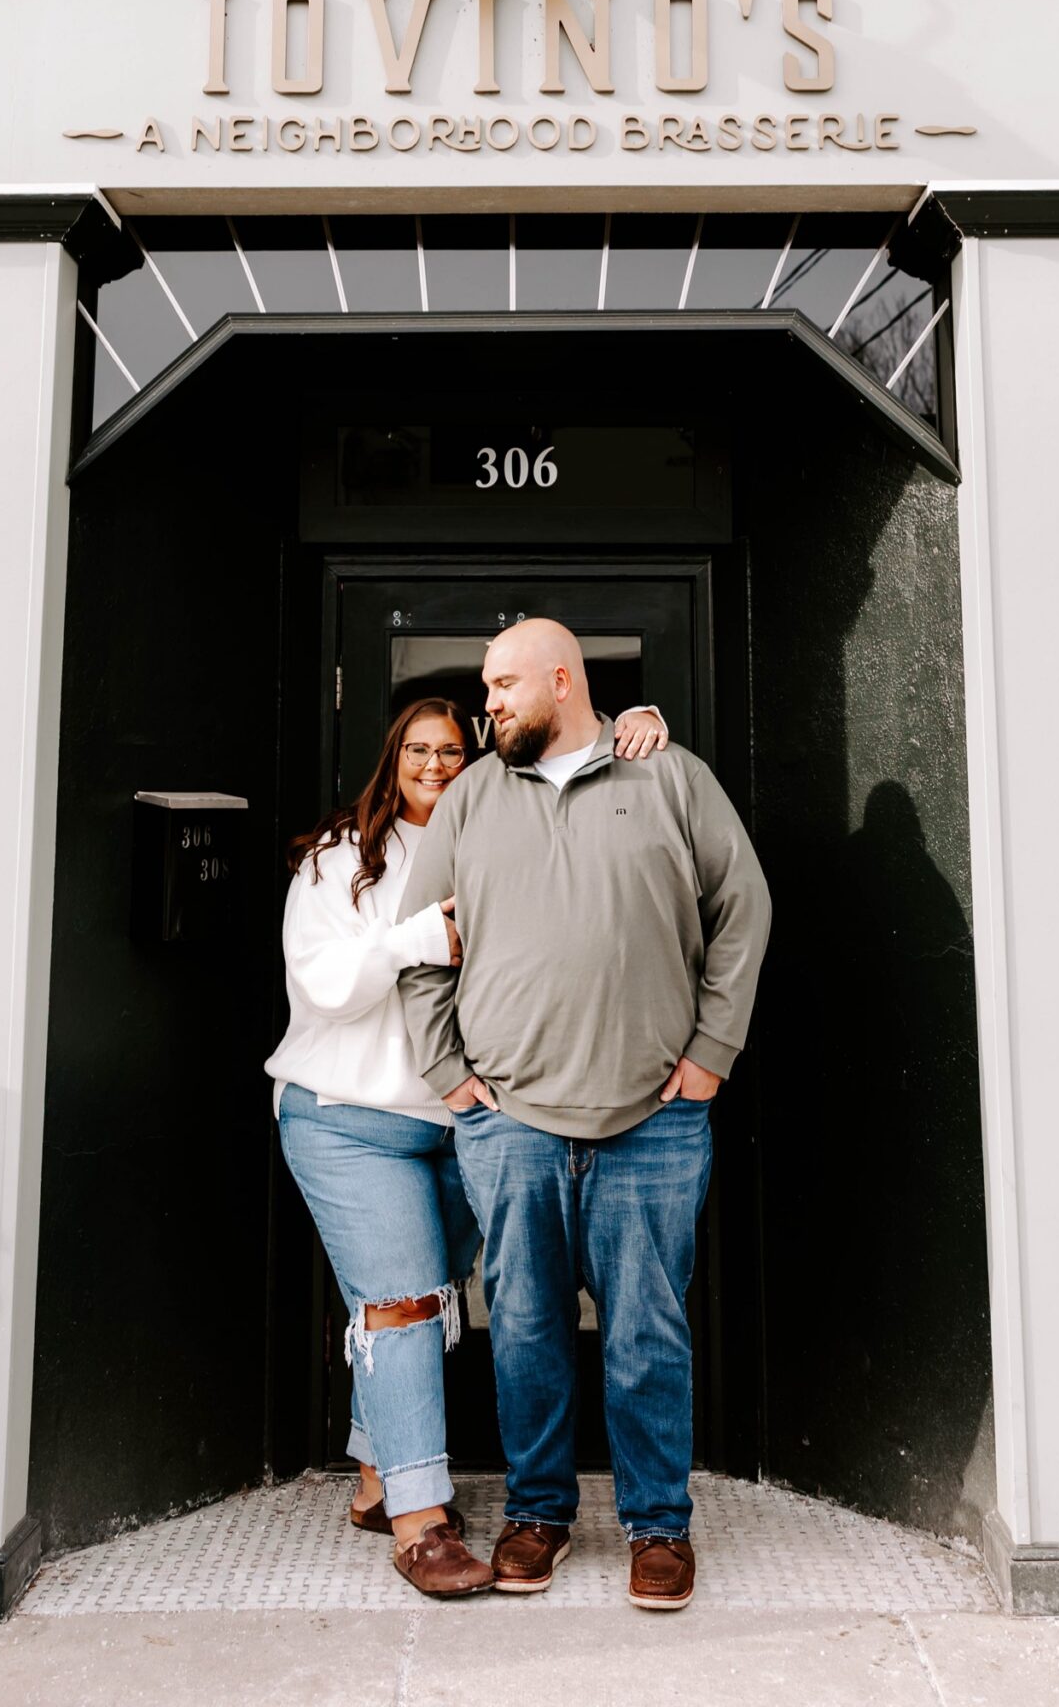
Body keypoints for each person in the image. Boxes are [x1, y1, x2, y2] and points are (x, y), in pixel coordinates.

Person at [397, 620, 771, 1614]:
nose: (490, 702)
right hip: (511, 1120)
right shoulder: (471, 798)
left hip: (652, 1122)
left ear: (561, 681)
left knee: (648, 1331)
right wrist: (448, 1072)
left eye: (505, 683)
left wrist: (711, 1055)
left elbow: (746, 908)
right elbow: (417, 941)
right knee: (522, 1326)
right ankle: (538, 1514)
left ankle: (659, 1526)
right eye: (486, 685)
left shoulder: (670, 777)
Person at [266, 686, 670, 1600]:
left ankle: (375, 1477)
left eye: (452, 752)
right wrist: (417, 935)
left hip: (464, 1128)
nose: (435, 768)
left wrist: (638, 719)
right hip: (348, 1118)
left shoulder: (498, 842)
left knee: (422, 1305)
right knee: (403, 1307)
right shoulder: (338, 859)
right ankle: (421, 1522)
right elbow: (329, 986)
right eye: (418, 750)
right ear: (390, 757)